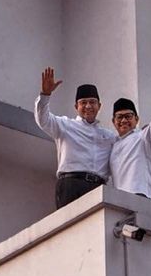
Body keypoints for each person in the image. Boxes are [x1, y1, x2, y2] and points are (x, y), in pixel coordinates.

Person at [35, 67, 116, 209]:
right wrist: (45, 95)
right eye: (83, 102)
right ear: (76, 106)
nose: (88, 106)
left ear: (99, 106)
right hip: (71, 185)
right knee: (71, 229)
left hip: (98, 187)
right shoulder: (65, 125)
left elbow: (126, 148)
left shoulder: (109, 136)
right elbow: (43, 120)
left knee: (95, 229)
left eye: (92, 102)